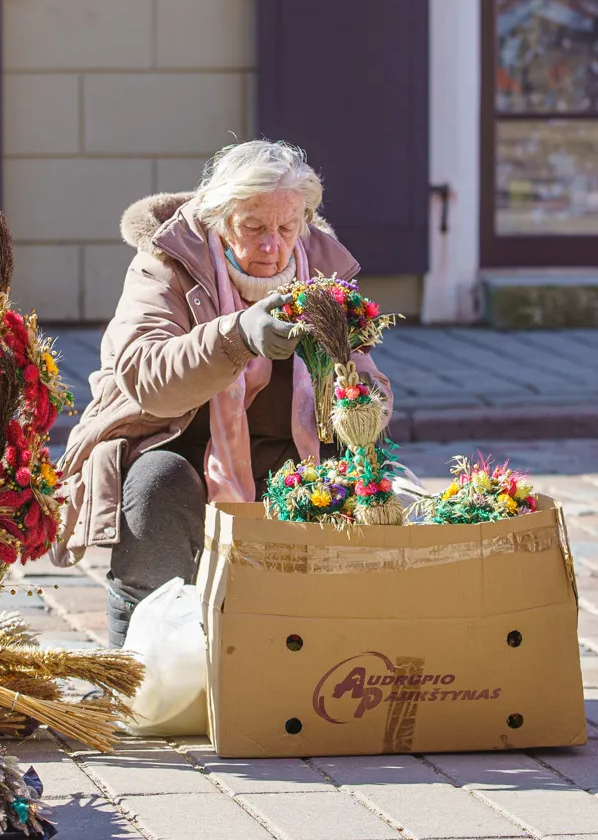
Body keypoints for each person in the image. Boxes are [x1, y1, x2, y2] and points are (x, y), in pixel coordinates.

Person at [56, 140, 391, 646]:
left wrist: (363, 401)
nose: (271, 246)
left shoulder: (324, 270)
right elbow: (143, 376)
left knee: (352, 485)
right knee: (155, 486)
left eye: (286, 227)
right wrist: (236, 337)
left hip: (285, 452)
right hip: (177, 444)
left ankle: (321, 650)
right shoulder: (166, 262)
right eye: (253, 227)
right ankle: (139, 666)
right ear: (218, 217)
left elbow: (365, 380)